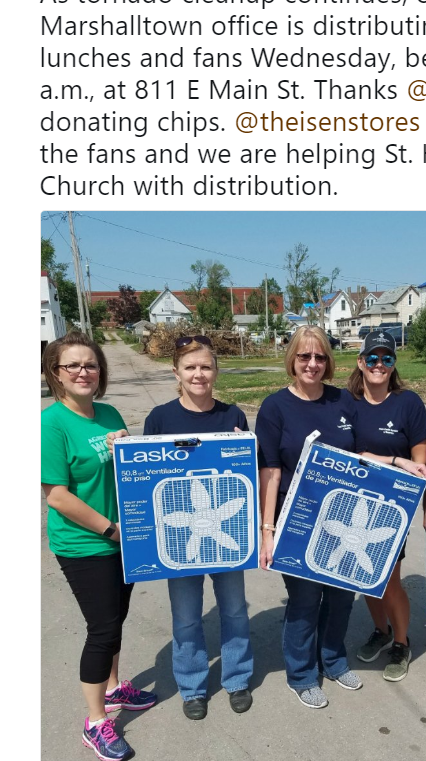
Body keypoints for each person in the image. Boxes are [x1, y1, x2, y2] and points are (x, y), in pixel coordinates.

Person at [41, 332, 157, 761]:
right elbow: (56, 495)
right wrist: (113, 531)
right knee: (102, 629)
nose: (83, 372)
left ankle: (113, 690)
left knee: (116, 618)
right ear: (56, 373)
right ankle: (95, 723)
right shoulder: (50, 424)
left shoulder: (107, 413)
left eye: (90, 364)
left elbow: (126, 471)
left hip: (122, 538)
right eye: (72, 365)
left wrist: (123, 446)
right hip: (85, 543)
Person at [140, 335, 254, 719]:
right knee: (187, 616)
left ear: (216, 371)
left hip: (227, 530)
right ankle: (192, 688)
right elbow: (144, 475)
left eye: (205, 366)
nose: (199, 374)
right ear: (176, 372)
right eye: (190, 367)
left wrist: (246, 448)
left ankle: (236, 678)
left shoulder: (232, 415)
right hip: (180, 534)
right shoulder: (160, 418)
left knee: (235, 610)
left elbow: (244, 473)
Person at [256, 325, 361, 710]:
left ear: (329, 361)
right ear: (292, 360)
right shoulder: (274, 406)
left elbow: (363, 458)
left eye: (319, 357)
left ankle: (333, 661)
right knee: (304, 600)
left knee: (341, 597)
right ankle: (301, 675)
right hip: (296, 520)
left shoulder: (344, 401)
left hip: (345, 519)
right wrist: (268, 532)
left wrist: (403, 464)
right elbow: (270, 471)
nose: (312, 364)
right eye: (304, 356)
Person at [345, 331, 426, 682]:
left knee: (389, 580)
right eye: (373, 358)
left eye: (388, 359)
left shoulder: (407, 403)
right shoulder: (345, 402)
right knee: (364, 576)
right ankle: (380, 630)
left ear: (394, 365)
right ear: (361, 362)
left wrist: (417, 492)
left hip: (392, 506)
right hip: (351, 504)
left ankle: (400, 641)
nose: (380, 365)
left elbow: (420, 459)